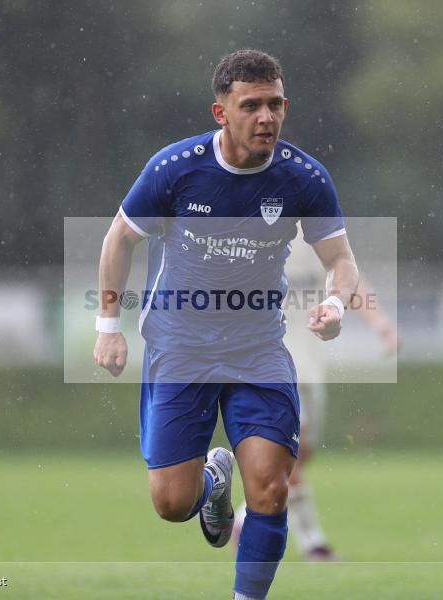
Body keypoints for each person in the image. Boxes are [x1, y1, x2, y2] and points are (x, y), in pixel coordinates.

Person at [93, 49, 359, 600]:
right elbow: (119, 238)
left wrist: (335, 305)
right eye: (252, 105)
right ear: (221, 112)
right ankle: (213, 483)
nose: (267, 117)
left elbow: (341, 260)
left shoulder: (303, 177)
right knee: (171, 504)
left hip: (257, 350)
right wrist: (107, 324)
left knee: (270, 487)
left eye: (276, 104)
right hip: (180, 349)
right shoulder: (175, 168)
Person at [232, 234, 399, 561]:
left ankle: (245, 518)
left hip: (310, 365)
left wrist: (380, 324)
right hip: (275, 366)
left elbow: (346, 275)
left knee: (297, 459)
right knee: (285, 458)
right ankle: (311, 543)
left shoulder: (315, 232)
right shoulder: (253, 233)